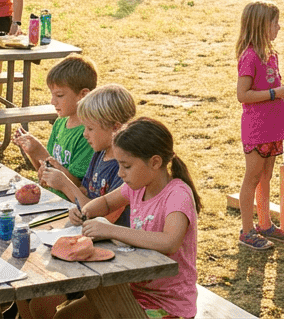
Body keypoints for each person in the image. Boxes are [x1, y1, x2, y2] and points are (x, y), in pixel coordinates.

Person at [61, 118, 201, 319]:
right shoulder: (136, 187)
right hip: (133, 290)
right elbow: (107, 203)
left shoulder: (177, 195)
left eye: (126, 166)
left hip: (168, 304)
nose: (120, 173)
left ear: (155, 162)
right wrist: (85, 211)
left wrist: (111, 230)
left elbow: (170, 242)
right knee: (65, 317)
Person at [22, 83, 138, 319]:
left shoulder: (124, 168)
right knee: (25, 293)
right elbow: (87, 192)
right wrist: (76, 206)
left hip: (110, 257)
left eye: (90, 128)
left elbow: (105, 218)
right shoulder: (100, 153)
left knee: (41, 305)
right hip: (85, 242)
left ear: (116, 128)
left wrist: (66, 184)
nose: (85, 134)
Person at [235, 1, 284, 250]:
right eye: (275, 23)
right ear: (262, 26)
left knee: (266, 176)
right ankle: (247, 230)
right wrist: (275, 93)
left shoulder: (271, 54)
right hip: (257, 128)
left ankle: (264, 223)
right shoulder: (249, 56)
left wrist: (283, 91)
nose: (279, 28)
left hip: (273, 127)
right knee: (252, 177)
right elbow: (243, 95)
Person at [15, 54, 96, 201]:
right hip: (51, 199)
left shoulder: (88, 134)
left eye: (59, 95)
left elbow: (78, 186)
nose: (52, 101)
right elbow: (47, 173)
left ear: (83, 95)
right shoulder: (60, 123)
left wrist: (41, 154)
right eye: (52, 95)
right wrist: (34, 152)